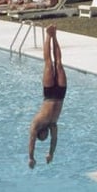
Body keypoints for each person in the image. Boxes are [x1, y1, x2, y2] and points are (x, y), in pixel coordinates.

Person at [28, 25, 66, 168]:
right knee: (59, 64)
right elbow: (54, 140)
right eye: (46, 137)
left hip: (49, 95)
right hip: (60, 95)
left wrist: (31, 157)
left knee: (49, 64)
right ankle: (54, 35)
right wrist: (51, 153)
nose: (46, 137)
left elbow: (31, 141)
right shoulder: (53, 125)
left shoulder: (36, 123)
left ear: (40, 133)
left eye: (42, 137)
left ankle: (48, 35)